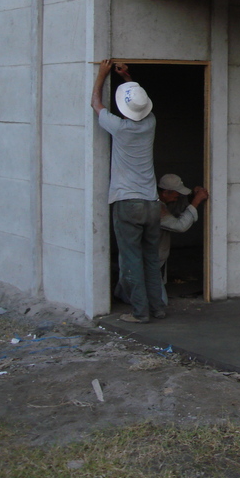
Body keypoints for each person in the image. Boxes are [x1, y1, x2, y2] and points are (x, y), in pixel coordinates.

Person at [91, 60, 164, 325]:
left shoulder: (120, 128)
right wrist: (127, 78)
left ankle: (140, 313)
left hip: (127, 202)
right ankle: (157, 308)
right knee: (150, 258)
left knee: (131, 259)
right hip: (152, 203)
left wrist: (101, 75)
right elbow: (140, 103)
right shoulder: (151, 123)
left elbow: (95, 104)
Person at [156, 174, 209, 302]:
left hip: (157, 258)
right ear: (165, 192)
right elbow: (179, 225)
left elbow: (175, 210)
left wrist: (192, 197)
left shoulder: (162, 203)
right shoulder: (156, 208)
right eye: (176, 193)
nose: (178, 196)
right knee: (159, 300)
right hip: (151, 260)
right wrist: (195, 202)